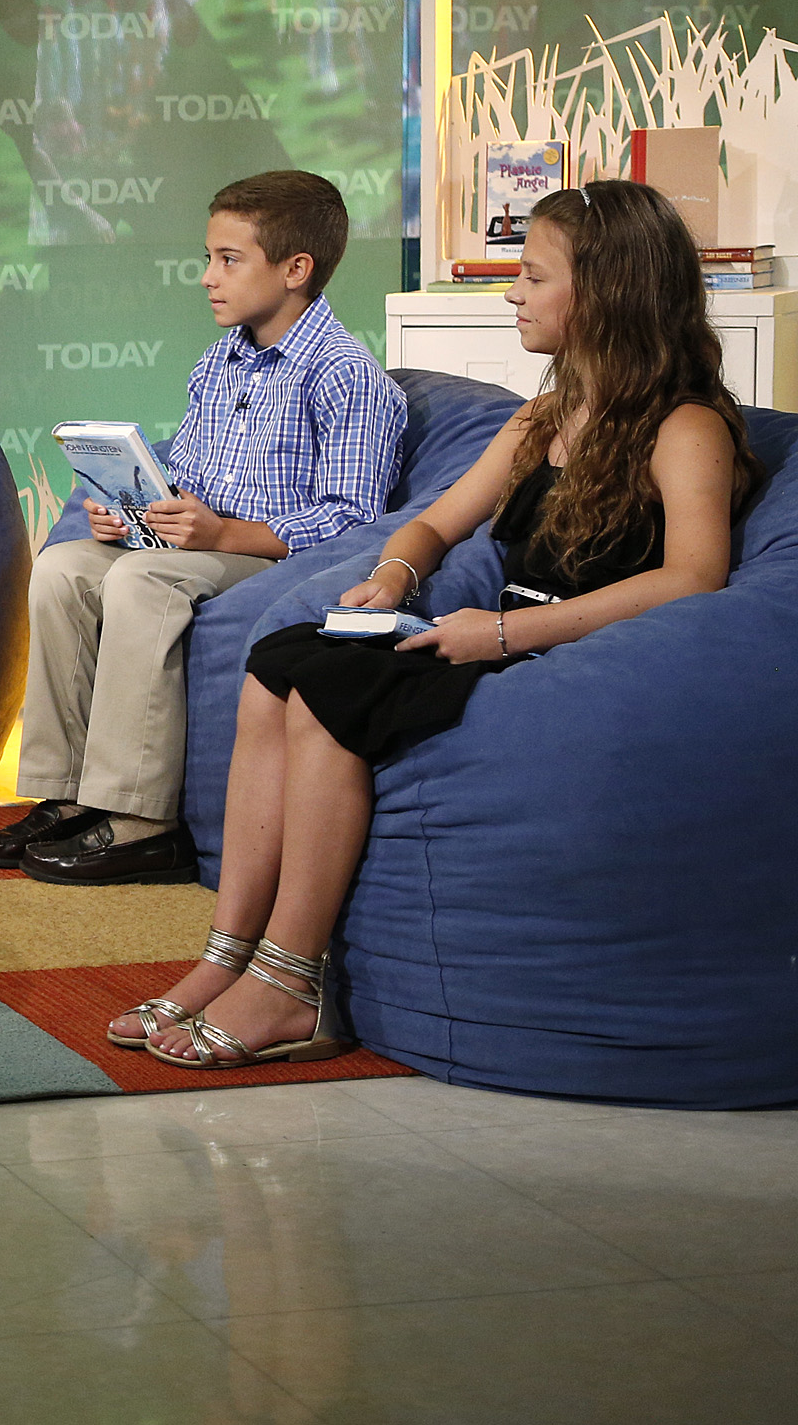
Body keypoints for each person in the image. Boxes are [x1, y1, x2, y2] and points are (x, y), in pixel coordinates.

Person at [124, 181, 762, 1067]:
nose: (512, 294)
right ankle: (222, 957)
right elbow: (436, 522)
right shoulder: (546, 415)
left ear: (606, 292)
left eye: (533, 277)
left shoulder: (685, 426)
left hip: (572, 650)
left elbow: (694, 578)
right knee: (279, 660)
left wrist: (499, 637)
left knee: (328, 694)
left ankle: (291, 983)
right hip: (487, 630)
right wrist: (392, 576)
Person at [0, 170, 406, 885]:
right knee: (65, 568)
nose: (208, 277)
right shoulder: (218, 363)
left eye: (228, 260)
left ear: (296, 269)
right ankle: (65, 792)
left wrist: (222, 534)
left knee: (145, 581)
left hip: (276, 562)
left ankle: (142, 819)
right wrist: (141, 509)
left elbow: (353, 520)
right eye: (209, 257)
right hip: (204, 547)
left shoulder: (346, 376)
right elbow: (197, 486)